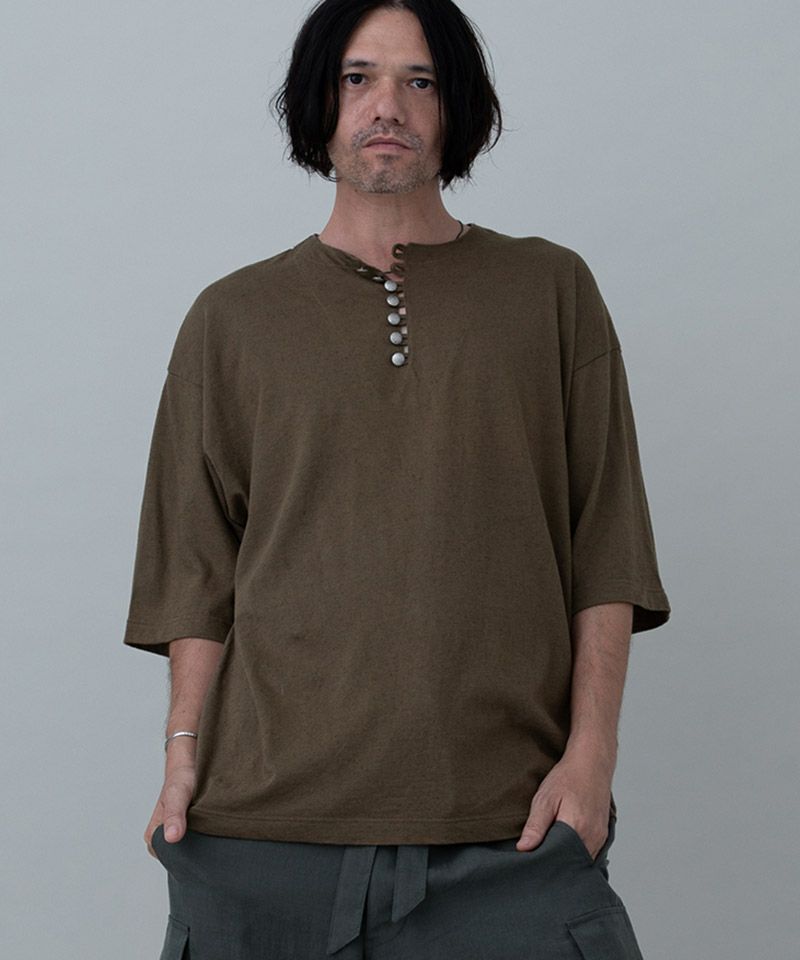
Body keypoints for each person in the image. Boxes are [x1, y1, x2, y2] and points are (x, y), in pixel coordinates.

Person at [123, 1, 671, 957]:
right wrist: (181, 762)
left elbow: (607, 545)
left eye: (421, 80)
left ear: (457, 108)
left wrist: (593, 759)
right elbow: (194, 576)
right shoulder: (232, 318)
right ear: (319, 103)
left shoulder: (550, 291)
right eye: (358, 78)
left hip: (511, 830)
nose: (388, 105)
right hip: (264, 836)